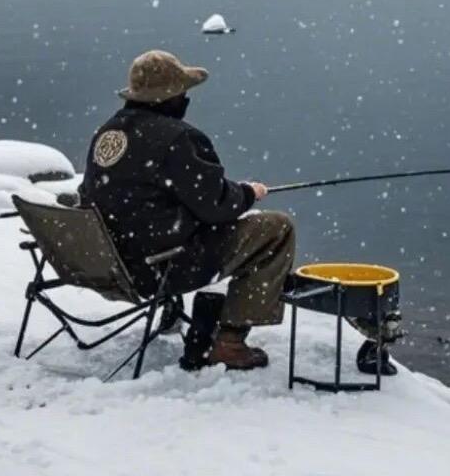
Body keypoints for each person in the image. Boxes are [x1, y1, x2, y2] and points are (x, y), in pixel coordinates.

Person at [80, 50, 295, 371]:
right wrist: (249, 193)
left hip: (109, 262)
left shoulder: (109, 132)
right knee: (277, 229)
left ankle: (177, 315)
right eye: (182, 92)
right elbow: (217, 207)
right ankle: (229, 344)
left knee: (154, 216)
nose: (185, 99)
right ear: (171, 97)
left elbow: (104, 193)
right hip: (159, 267)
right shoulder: (179, 138)